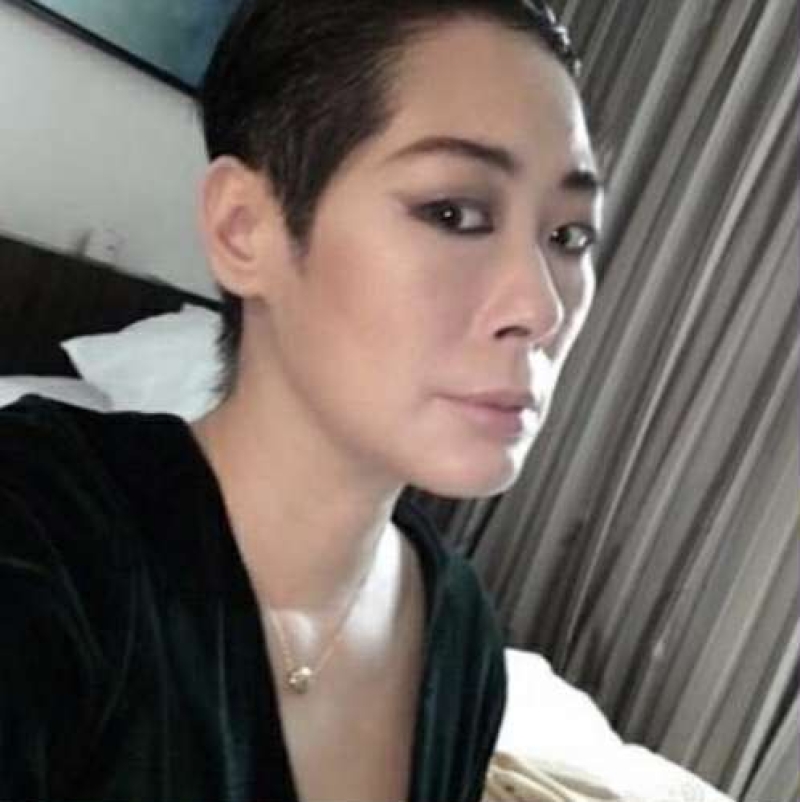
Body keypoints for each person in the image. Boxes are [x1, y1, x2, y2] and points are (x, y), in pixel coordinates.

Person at [0, 1, 603, 800]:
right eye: (453, 213)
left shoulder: (460, 633)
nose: (541, 307)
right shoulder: (43, 526)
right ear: (244, 228)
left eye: (568, 236)